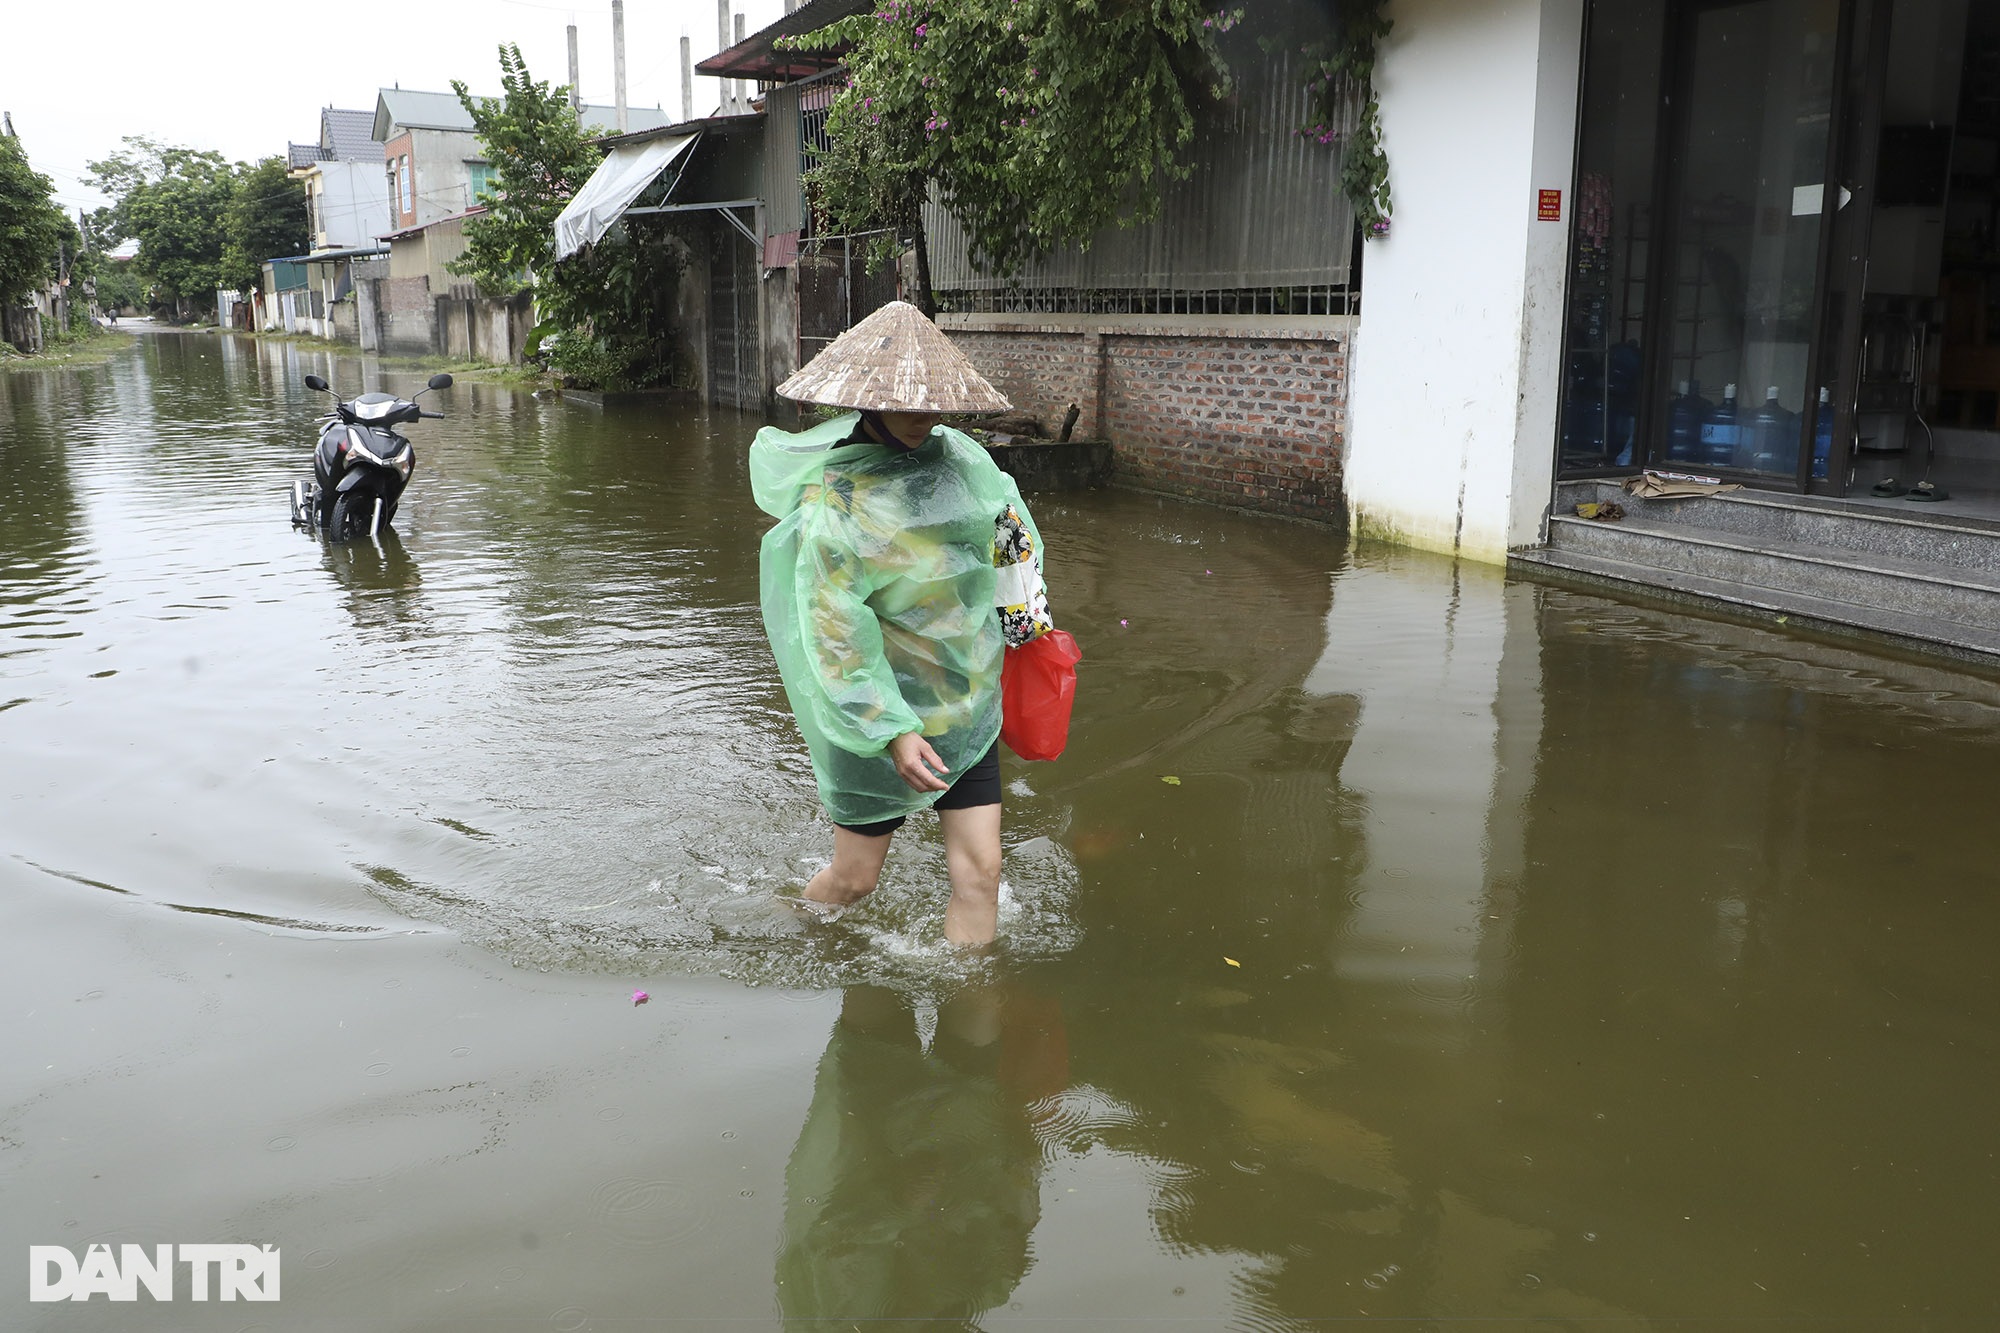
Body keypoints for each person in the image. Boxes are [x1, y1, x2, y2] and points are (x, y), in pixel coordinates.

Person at [751, 301, 1048, 946]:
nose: (926, 416)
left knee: (981, 871)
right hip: (876, 717)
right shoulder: (836, 499)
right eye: (909, 403)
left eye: (934, 404)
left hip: (961, 702)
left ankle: (972, 1019)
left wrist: (1027, 614)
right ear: (868, 402)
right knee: (856, 880)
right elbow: (834, 630)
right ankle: (790, 930)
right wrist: (889, 729)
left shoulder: (963, 468)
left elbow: (1012, 551)